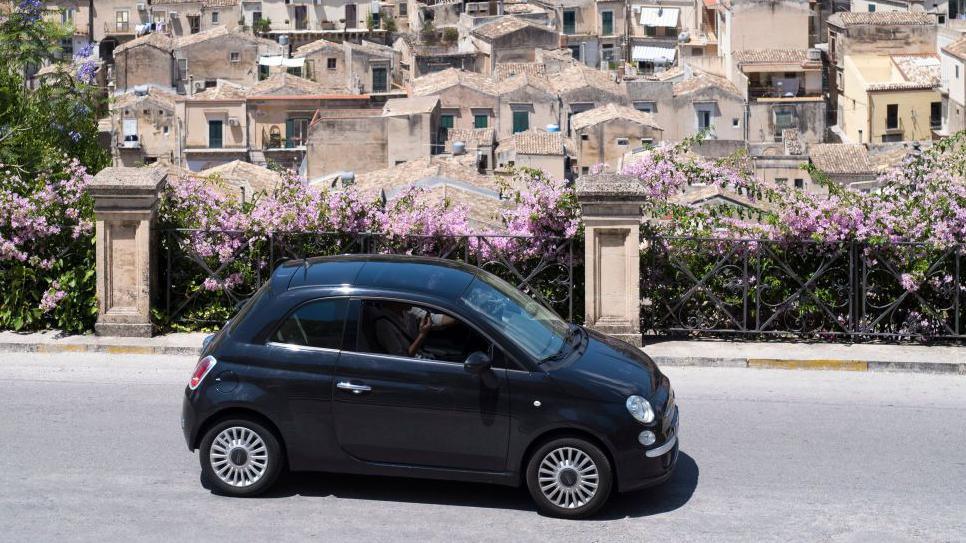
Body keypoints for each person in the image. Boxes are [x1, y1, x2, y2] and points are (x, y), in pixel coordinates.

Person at [369, 302, 454, 358]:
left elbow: (435, 319)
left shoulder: (408, 311)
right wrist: (422, 335)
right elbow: (402, 359)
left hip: (424, 356)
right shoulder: (384, 325)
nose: (412, 302)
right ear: (395, 302)